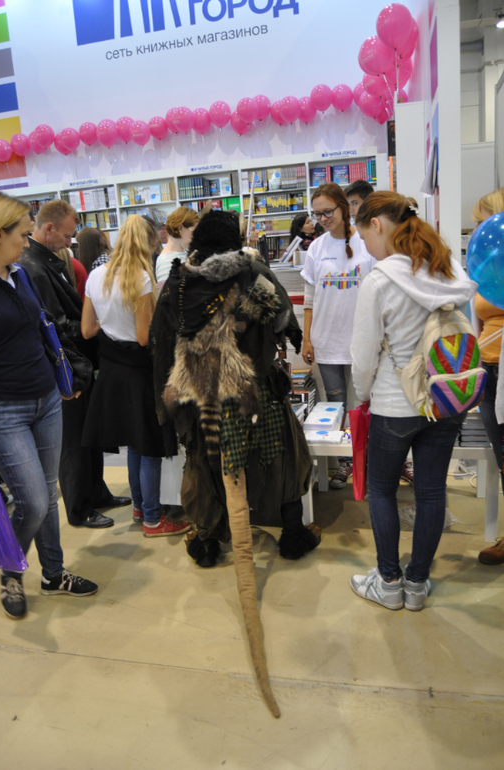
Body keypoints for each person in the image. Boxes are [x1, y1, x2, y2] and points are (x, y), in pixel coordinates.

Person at [151, 209, 319, 567]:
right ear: (234, 241)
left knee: (204, 463)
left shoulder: (179, 281)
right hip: (253, 387)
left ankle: (208, 542)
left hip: (201, 394)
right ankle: (292, 533)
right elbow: (282, 320)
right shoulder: (251, 273)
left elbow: (161, 342)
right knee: (285, 456)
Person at [349, 191, 476, 611]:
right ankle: (417, 584)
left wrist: (362, 395)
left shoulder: (380, 280)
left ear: (377, 225)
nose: (366, 246)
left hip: (394, 402)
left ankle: (389, 583)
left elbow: (364, 356)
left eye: (364, 237)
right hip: (445, 398)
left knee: (381, 490)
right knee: (431, 491)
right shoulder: (447, 267)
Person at [0, 192, 98, 619]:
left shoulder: (20, 274)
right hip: (3, 410)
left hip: (46, 400)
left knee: (49, 495)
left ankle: (53, 573)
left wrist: (63, 377)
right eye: (21, 234)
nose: (27, 241)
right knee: (33, 501)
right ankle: (10, 570)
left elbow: (42, 328)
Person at [19, 200, 130, 529]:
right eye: (67, 236)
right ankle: (80, 508)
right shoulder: (33, 267)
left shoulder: (44, 262)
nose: (70, 243)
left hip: (77, 358)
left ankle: (96, 493)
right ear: (48, 228)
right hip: (66, 364)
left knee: (88, 434)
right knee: (74, 440)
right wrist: (92, 330)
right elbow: (54, 324)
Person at [81, 215, 191, 538]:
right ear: (147, 244)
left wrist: (112, 323)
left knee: (133, 442)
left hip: (112, 368)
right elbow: (144, 337)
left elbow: (87, 329)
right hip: (140, 371)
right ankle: (153, 519)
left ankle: (140, 508)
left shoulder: (95, 276)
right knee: (150, 445)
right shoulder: (141, 278)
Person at [300, 182, 376, 489]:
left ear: (343, 207)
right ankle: (346, 462)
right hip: (327, 340)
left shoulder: (366, 242)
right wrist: (307, 339)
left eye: (327, 212)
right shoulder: (316, 249)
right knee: (336, 405)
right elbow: (309, 300)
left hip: (363, 341)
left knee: (366, 403)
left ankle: (369, 461)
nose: (323, 219)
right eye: (317, 214)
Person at [470, 188, 504, 565]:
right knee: (502, 455)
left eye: (483, 221)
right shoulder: (489, 263)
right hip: (489, 370)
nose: (480, 231)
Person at [154, 206, 199, 283]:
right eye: (194, 231)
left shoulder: (183, 251)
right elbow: (169, 290)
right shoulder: (166, 262)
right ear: (180, 228)